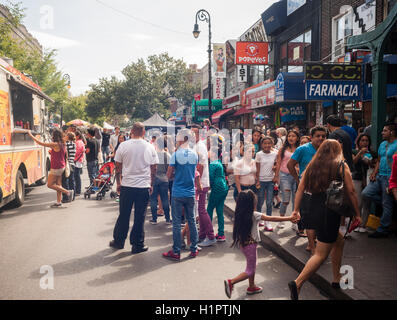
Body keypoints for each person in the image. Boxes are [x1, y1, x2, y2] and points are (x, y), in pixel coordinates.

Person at [287, 140, 361, 300]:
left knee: (339, 241)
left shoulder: (312, 165)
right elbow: (352, 191)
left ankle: (336, 278)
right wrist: (358, 213)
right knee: (320, 254)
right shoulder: (341, 165)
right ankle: (297, 282)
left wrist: (296, 209)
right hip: (330, 212)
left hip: (313, 209)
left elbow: (300, 188)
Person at [224, 190, 300, 298]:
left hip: (244, 244)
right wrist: (290, 218)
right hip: (250, 245)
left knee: (251, 265)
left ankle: (251, 286)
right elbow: (273, 218)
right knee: (251, 269)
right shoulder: (254, 215)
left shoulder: (239, 213)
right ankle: (231, 282)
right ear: (252, 204)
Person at [109, 122, 159, 254]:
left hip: (127, 185)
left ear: (131, 131)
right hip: (143, 186)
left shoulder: (123, 146)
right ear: (143, 133)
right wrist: (151, 184)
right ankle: (137, 244)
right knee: (139, 216)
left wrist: (118, 183)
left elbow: (117, 166)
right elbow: (154, 168)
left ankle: (119, 241)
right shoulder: (150, 147)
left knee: (124, 214)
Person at [287, 126, 327, 254]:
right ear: (311, 137)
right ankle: (311, 245)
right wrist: (298, 179)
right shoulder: (302, 149)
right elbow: (290, 165)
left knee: (320, 217)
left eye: (323, 136)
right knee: (309, 217)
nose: (321, 138)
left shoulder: (326, 149)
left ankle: (313, 240)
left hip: (323, 189)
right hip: (307, 189)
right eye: (318, 136)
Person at [163, 129, 199, 261]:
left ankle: (176, 251)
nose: (177, 140)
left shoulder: (176, 154)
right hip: (190, 192)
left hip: (178, 192)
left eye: (178, 138)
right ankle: (194, 249)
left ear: (182, 139)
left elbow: (168, 174)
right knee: (192, 221)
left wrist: (174, 175)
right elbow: (194, 173)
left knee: (177, 223)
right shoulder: (194, 154)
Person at [362, 123, 397, 238]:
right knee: (366, 193)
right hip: (379, 176)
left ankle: (383, 229)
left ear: (391, 132)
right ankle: (388, 210)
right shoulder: (382, 144)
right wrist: (374, 173)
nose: (382, 133)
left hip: (389, 177)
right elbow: (379, 160)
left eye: (385, 131)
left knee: (387, 204)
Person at [28, 129, 73, 207]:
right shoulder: (63, 143)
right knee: (58, 185)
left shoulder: (55, 144)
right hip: (62, 166)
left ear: (54, 136)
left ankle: (67, 192)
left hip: (56, 167)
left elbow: (40, 143)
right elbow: (60, 154)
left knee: (49, 184)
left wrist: (30, 135)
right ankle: (59, 202)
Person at [190, 125, 216, 247]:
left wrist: (197, 182)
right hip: (199, 182)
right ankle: (202, 235)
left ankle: (211, 236)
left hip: (201, 183)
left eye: (194, 133)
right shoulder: (195, 145)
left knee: (201, 210)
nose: (191, 136)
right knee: (200, 211)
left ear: (199, 134)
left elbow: (200, 166)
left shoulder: (199, 146)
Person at [274, 130, 300, 229]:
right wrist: (276, 176)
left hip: (296, 176)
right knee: (285, 199)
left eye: (293, 136)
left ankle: (294, 222)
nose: (291, 138)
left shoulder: (299, 149)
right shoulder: (282, 149)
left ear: (297, 138)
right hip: (284, 175)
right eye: (289, 136)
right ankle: (281, 219)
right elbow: (278, 163)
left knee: (295, 201)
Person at [352, 134, 377, 233]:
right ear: (358, 142)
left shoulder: (372, 153)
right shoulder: (353, 151)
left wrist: (371, 163)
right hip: (357, 179)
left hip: (369, 179)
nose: (364, 142)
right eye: (362, 140)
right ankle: (356, 223)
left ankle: (363, 225)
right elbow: (353, 162)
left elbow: (376, 164)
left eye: (366, 140)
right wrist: (360, 154)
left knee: (366, 202)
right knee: (357, 203)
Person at [206, 146, 229, 243]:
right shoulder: (219, 162)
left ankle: (209, 233)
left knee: (209, 209)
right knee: (219, 210)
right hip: (223, 187)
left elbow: (210, 178)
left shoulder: (213, 164)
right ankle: (221, 234)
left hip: (217, 188)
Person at [255, 136, 278, 232]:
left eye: (269, 143)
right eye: (265, 143)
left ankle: (267, 222)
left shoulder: (275, 154)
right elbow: (257, 169)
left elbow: (277, 165)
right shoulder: (259, 154)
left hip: (270, 181)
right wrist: (257, 181)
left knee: (269, 202)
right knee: (260, 202)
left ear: (272, 144)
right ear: (262, 145)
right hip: (261, 181)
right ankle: (260, 219)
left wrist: (275, 170)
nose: (267, 145)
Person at [149, 136, 171, 225]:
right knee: (165, 198)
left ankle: (154, 219)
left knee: (153, 199)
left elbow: (150, 167)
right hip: (164, 179)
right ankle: (167, 218)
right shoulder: (167, 155)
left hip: (154, 178)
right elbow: (169, 168)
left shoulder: (153, 154)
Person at [62, 132, 76, 202]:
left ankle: (66, 197)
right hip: (72, 163)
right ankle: (73, 196)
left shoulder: (67, 144)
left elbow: (65, 153)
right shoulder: (74, 144)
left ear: (68, 137)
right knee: (72, 181)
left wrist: (63, 140)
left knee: (65, 181)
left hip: (67, 164)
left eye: (66, 135)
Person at [74, 130, 85, 196]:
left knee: (76, 176)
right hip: (78, 161)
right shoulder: (80, 142)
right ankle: (78, 190)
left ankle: (78, 190)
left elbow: (77, 152)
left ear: (78, 136)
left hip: (77, 161)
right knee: (77, 176)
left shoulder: (78, 142)